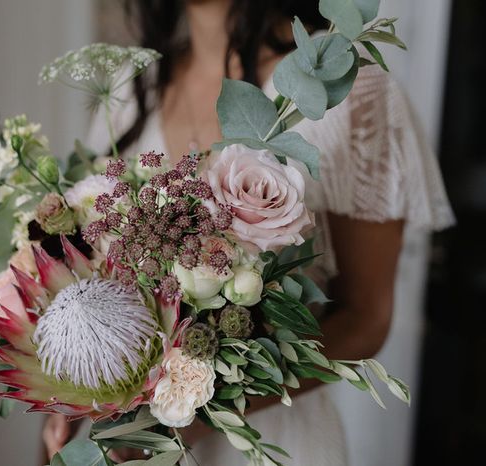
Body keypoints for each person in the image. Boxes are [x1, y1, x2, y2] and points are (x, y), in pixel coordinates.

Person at [42, 1, 455, 464]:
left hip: (270, 439)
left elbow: (366, 316)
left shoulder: (343, 84)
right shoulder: (129, 89)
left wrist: (185, 418)